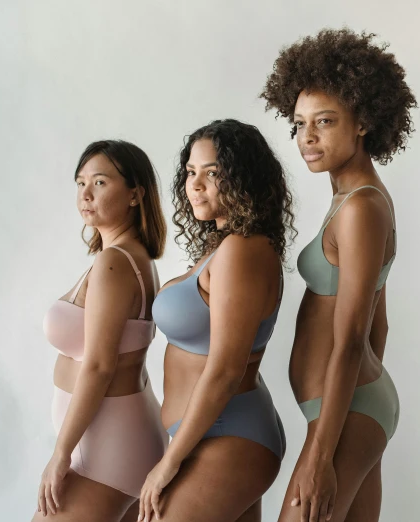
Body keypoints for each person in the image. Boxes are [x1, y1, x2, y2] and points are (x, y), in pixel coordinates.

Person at [261, 28, 417, 522]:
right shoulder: (355, 200)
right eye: (300, 123)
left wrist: (323, 455)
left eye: (324, 122)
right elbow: (380, 324)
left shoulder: (361, 209)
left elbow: (352, 339)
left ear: (364, 121)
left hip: (346, 414)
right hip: (351, 409)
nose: (308, 137)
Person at [138, 119, 295, 522]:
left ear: (244, 181)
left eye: (212, 173)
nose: (196, 184)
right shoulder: (224, 246)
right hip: (211, 435)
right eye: (191, 172)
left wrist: (168, 464)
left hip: (230, 433)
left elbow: (225, 369)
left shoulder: (242, 250)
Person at [38, 140, 168, 522]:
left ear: (135, 194)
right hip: (116, 437)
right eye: (80, 183)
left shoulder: (115, 262)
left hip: (109, 447)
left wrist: (60, 454)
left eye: (99, 182)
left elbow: (98, 366)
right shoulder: (128, 255)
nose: (85, 194)